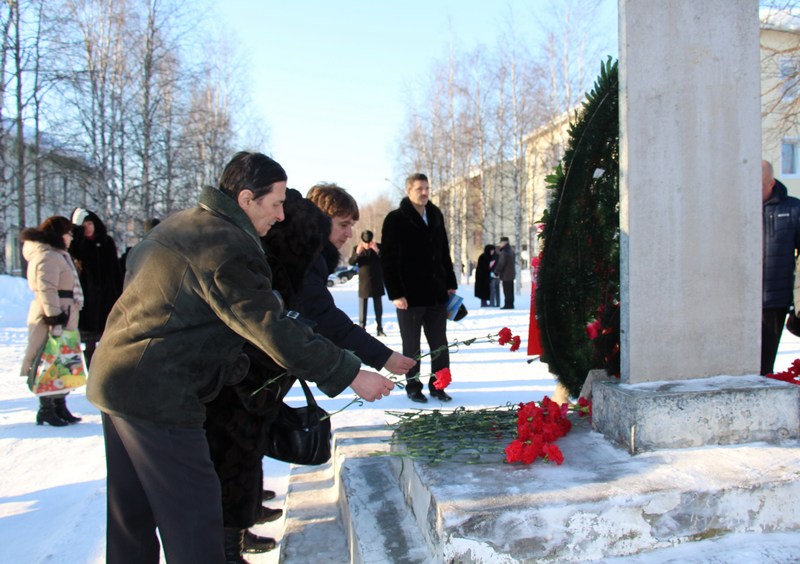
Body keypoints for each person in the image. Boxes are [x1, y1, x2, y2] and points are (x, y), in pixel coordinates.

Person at [86, 152, 395, 564]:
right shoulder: (225, 246)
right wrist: (350, 372)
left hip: (117, 378)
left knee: (132, 517)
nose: (281, 216)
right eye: (276, 204)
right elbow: (270, 326)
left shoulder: (181, 224)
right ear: (247, 199)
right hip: (160, 395)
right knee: (196, 521)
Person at [206, 187, 415, 562]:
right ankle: (228, 547)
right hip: (245, 371)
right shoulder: (302, 255)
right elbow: (322, 318)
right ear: (321, 218)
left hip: (256, 369)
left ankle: (240, 526)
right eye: (343, 224)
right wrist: (378, 357)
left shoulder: (306, 253)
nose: (349, 233)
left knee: (246, 447)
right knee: (234, 453)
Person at [381, 173, 458, 403]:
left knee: (440, 345)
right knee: (411, 346)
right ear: (408, 191)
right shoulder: (395, 219)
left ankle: (438, 385)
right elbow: (388, 260)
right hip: (409, 297)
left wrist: (450, 283)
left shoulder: (435, 215)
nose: (424, 192)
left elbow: (444, 251)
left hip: (436, 294)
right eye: (419, 189)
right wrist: (396, 293)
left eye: (426, 188)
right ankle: (413, 386)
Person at [19, 216, 85, 426]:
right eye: (68, 232)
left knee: (63, 360)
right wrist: (54, 317)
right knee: (49, 360)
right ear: (59, 234)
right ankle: (46, 408)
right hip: (55, 314)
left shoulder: (58, 254)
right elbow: (47, 288)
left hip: (65, 312)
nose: (71, 237)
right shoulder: (48, 256)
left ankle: (59, 404)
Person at [68, 208, 123, 365]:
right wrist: (76, 229)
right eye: (84, 225)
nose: (88, 227)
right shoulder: (79, 244)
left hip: (107, 295)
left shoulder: (106, 242)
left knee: (109, 336)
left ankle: (108, 367)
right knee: (89, 338)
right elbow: (74, 251)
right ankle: (91, 367)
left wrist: (120, 292)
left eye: (90, 223)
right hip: (86, 296)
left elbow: (115, 269)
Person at [761, 159, 800, 375]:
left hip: (773, 302)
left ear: (771, 183)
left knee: (764, 367)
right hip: (735, 301)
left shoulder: (793, 210)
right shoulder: (735, 208)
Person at [349, 229, 386, 335]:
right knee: (362, 307)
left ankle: (380, 328)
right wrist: (357, 253)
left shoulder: (378, 247)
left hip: (377, 281)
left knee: (378, 307)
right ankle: (362, 327)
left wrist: (377, 250)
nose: (367, 243)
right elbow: (351, 262)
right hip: (364, 283)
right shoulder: (357, 248)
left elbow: (385, 259)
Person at [493, 236, 516, 309]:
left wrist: (496, 272)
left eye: (501, 243)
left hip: (506, 275)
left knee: (507, 290)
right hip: (511, 274)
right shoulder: (511, 250)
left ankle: (508, 305)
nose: (500, 244)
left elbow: (501, 263)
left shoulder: (504, 252)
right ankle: (510, 304)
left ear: (504, 243)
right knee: (510, 290)